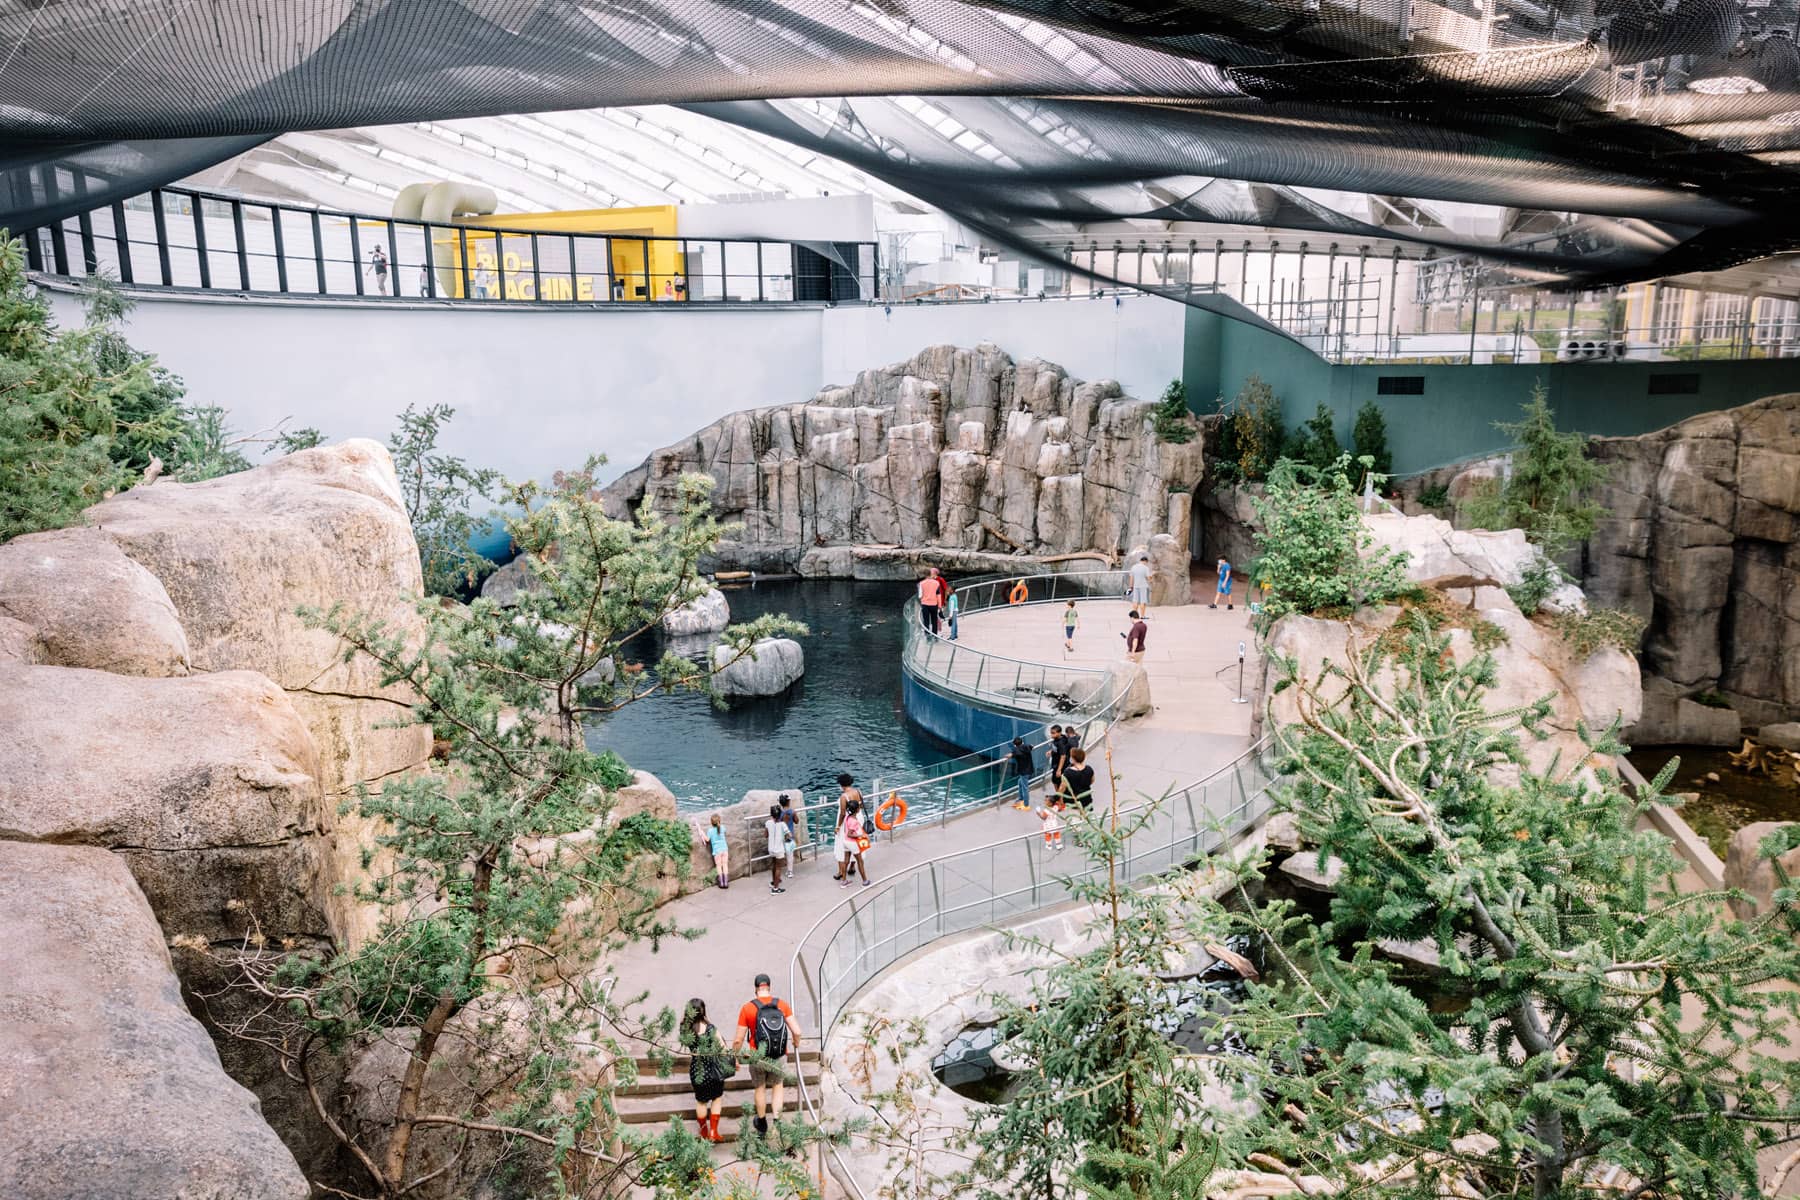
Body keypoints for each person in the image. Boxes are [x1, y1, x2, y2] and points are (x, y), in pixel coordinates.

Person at [733, 973, 803, 1140]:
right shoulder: (781, 1005)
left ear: (756, 989)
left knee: (760, 1088)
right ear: (769, 988)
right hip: (778, 1055)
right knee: (778, 1086)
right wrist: (796, 1042)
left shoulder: (747, 1008)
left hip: (758, 1056)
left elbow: (738, 1039)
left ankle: (762, 1124)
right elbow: (797, 1031)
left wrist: (735, 1056)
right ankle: (777, 1122)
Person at [681, 998, 733, 1142]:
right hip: (714, 1070)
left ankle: (704, 1132)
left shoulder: (685, 1029)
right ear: (703, 1011)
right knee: (716, 1098)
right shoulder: (711, 1029)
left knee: (701, 1102)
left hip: (697, 1071)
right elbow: (723, 1049)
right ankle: (713, 1132)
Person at [832, 774, 863, 883]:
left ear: (841, 785)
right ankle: (852, 867)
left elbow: (842, 813)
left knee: (842, 844)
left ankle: (841, 871)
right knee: (855, 842)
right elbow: (862, 806)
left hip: (847, 821)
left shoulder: (843, 797)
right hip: (858, 818)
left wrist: (838, 826)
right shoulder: (858, 792)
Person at [837, 797, 872, 889]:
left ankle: (844, 881)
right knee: (860, 861)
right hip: (852, 843)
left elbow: (846, 831)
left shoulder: (847, 817)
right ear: (857, 809)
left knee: (846, 861)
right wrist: (861, 836)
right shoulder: (854, 821)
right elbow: (850, 834)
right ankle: (865, 881)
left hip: (845, 842)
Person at [764, 804, 787, 894]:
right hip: (779, 850)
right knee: (778, 868)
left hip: (771, 849)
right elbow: (788, 835)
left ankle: (774, 882)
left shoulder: (768, 823)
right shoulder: (782, 824)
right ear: (780, 814)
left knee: (774, 865)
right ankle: (775, 889)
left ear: (771, 815)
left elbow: (765, 835)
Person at [703, 812, 730, 889]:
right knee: (725, 865)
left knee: (718, 866)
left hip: (717, 852)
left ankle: (721, 883)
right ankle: (726, 883)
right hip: (724, 849)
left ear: (711, 822)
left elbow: (707, 839)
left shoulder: (710, 831)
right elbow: (724, 832)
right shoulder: (723, 827)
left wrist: (702, 833)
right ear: (719, 821)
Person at [1008, 736, 1035, 810]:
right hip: (1029, 769)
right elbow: (1032, 746)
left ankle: (1026, 805)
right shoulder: (1027, 746)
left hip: (1023, 771)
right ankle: (1021, 799)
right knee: (1020, 782)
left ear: (1014, 744)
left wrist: (1007, 756)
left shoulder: (1016, 750)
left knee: (1025, 787)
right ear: (1022, 742)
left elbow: (1010, 755)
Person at [917, 569, 944, 635]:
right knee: (934, 621)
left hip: (925, 605)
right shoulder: (936, 583)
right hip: (934, 605)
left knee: (926, 621)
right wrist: (940, 606)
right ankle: (934, 636)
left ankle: (927, 636)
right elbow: (938, 595)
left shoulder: (921, 583)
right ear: (930, 574)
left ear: (924, 575)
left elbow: (920, 596)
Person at [779, 792, 800, 873]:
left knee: (780, 854)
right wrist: (794, 814)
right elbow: (797, 821)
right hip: (789, 836)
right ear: (788, 802)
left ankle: (778, 870)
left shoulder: (779, 812)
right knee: (789, 855)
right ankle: (790, 871)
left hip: (780, 836)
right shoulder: (792, 812)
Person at [1129, 553, 1154, 619]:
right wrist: (1152, 576)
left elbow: (1131, 578)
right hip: (1143, 586)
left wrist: (1131, 587)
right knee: (1143, 601)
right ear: (1145, 561)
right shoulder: (1145, 568)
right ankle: (1142, 616)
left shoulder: (1133, 567)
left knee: (1135, 601)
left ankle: (1134, 616)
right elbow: (1149, 578)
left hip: (1135, 586)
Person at [1046, 724, 1068, 798]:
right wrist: (1051, 751)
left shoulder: (1061, 743)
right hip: (1056, 764)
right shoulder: (1057, 739)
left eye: (1053, 733)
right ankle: (1058, 796)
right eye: (1051, 732)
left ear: (1059, 733)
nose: (1051, 734)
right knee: (1056, 781)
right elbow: (1056, 749)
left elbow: (1063, 756)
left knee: (1057, 782)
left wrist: (1059, 769)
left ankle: (1059, 799)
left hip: (1060, 766)